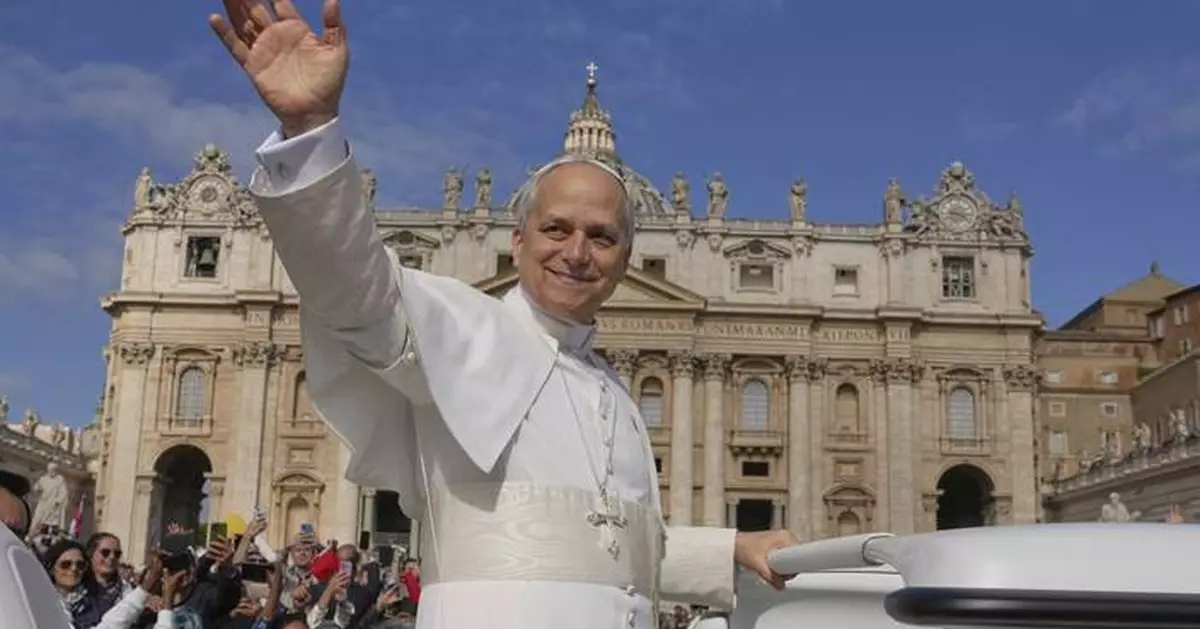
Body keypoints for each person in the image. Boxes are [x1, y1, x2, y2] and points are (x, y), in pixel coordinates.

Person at [207, 2, 800, 627]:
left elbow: (608, 549)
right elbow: (354, 289)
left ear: (628, 260)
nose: (576, 252)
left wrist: (735, 546)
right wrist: (310, 131)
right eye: (556, 229)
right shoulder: (461, 329)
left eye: (600, 237)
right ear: (516, 243)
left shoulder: (616, 395)